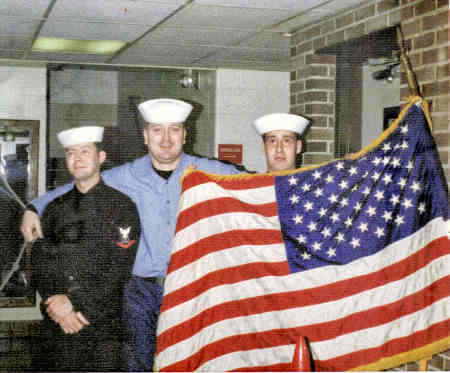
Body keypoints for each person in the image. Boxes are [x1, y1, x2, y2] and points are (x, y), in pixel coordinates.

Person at [22, 99, 241, 371]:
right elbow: (75, 189)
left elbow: (255, 185)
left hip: (191, 287)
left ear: (185, 135)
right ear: (146, 137)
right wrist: (34, 207)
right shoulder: (125, 175)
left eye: (174, 130)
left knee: (191, 359)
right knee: (138, 360)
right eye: (157, 131)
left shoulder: (210, 171)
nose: (166, 139)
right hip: (140, 290)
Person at [31, 126, 140, 371]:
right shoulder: (54, 209)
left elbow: (119, 270)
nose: (77, 159)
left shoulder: (122, 208)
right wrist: (54, 304)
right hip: (57, 323)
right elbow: (39, 262)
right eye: (71, 153)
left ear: (101, 157)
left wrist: (78, 307)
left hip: (100, 326)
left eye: (85, 151)